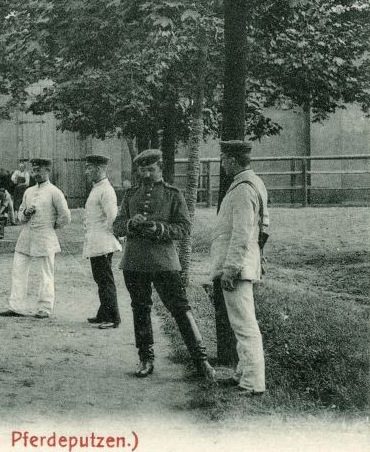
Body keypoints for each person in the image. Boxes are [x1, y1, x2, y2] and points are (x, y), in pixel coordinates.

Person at [113, 149, 215, 381]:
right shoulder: (131, 195)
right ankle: (146, 359)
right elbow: (117, 226)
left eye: (151, 169)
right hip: (135, 262)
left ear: (160, 169)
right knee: (140, 309)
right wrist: (131, 223)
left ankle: (201, 361)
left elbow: (184, 228)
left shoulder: (173, 194)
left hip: (165, 263)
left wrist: (160, 229)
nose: (146, 174)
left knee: (180, 308)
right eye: (142, 170)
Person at [209, 140, 269, 395]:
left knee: (244, 325)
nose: (222, 164)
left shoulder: (244, 189)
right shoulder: (251, 183)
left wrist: (230, 268)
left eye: (223, 159)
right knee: (241, 323)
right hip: (243, 265)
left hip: (238, 268)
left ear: (232, 160)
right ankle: (243, 374)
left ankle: (253, 382)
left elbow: (242, 234)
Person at [0, 157, 71, 319]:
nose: (36, 174)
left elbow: (65, 216)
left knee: (46, 273)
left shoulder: (55, 192)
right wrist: (25, 213)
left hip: (45, 237)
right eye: (34, 170)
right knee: (18, 270)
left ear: (48, 171)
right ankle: (16, 306)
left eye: (39, 170)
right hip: (26, 237)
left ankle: (44, 308)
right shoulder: (28, 192)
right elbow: (19, 216)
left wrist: (52, 227)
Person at [82, 155, 123, 329]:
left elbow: (112, 217)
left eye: (89, 168)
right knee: (101, 279)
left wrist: (111, 237)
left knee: (105, 280)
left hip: (103, 241)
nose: (86, 172)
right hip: (96, 241)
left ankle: (113, 318)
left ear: (99, 169)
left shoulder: (106, 190)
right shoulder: (97, 188)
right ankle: (103, 314)